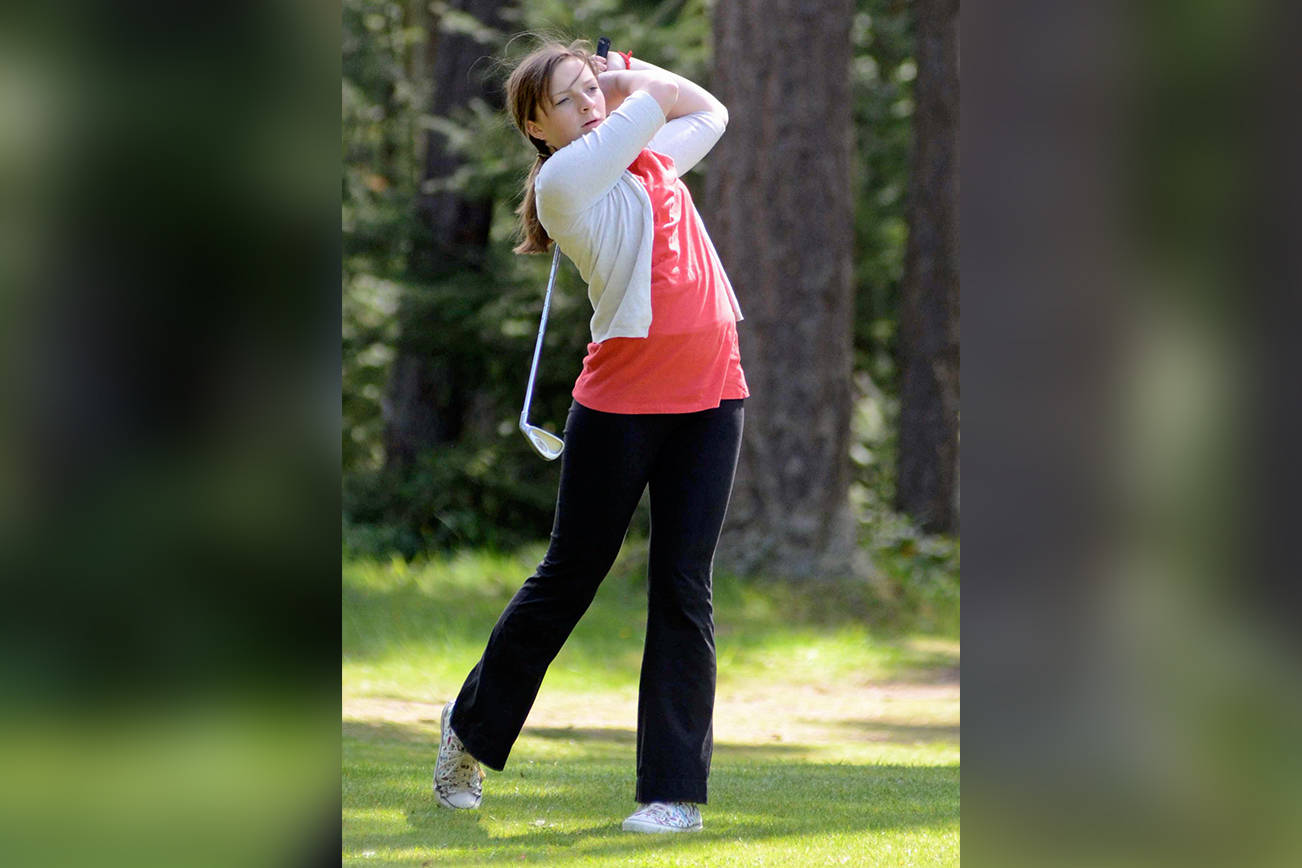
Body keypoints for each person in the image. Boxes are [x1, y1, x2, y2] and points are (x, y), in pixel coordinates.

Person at [433, 38, 748, 835]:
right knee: (571, 576)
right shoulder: (563, 181)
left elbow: (710, 109)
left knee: (684, 586)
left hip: (712, 393)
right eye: (570, 100)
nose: (590, 105)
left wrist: (622, 83)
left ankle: (672, 794)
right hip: (622, 405)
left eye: (591, 91)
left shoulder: (648, 165)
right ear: (538, 129)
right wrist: (627, 81)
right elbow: (657, 103)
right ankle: (469, 730)